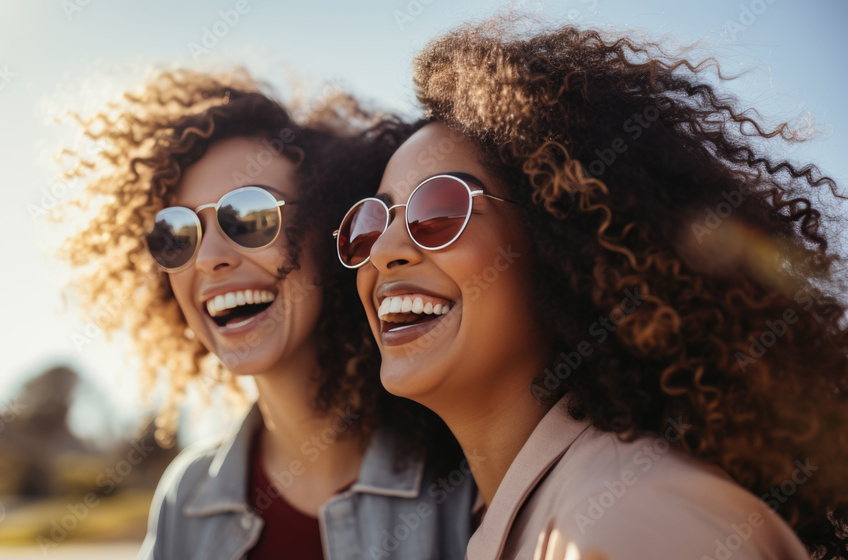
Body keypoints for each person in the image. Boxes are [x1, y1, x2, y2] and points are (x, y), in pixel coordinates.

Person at [336, 17, 848, 560]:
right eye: (370, 223)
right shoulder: (530, 513)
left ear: (558, 237)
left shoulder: (632, 518)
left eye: (438, 210)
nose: (384, 249)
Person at [56, 68, 476, 560]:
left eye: (249, 216)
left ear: (333, 230)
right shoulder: (185, 500)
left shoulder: (467, 481)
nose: (209, 257)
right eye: (177, 233)